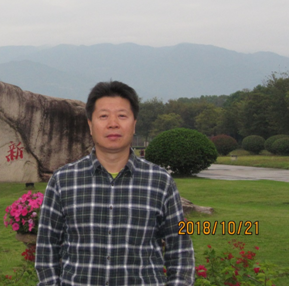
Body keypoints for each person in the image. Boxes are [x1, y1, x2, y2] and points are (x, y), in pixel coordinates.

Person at [35, 81, 194, 285]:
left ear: (134, 123)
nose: (113, 124)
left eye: (122, 116)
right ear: (90, 125)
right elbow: (46, 250)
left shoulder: (160, 181)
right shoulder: (63, 181)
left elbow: (180, 249)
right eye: (103, 116)